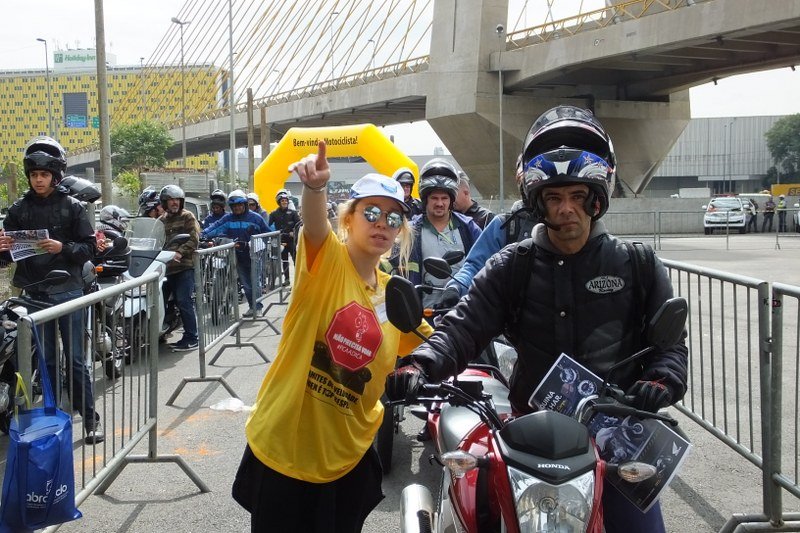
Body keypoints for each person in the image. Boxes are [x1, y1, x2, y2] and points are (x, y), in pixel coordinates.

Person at [391, 106, 688, 533]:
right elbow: (463, 326)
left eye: (578, 196)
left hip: (616, 437)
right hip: (529, 437)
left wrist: (661, 380)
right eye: (554, 197)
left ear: (597, 198)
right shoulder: (511, 266)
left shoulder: (638, 264)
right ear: (536, 201)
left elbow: (671, 346)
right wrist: (418, 365)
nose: (567, 209)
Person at [232, 141, 432, 533]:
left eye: (393, 218)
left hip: (348, 454)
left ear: (401, 230)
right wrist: (315, 188)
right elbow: (314, 226)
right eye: (371, 212)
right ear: (349, 218)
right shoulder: (328, 262)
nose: (382, 223)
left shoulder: (394, 292)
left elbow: (431, 345)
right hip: (287, 447)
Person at [0, 136, 105, 444]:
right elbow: (7, 259)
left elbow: (89, 249)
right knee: (45, 364)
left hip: (68, 293)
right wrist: (3, 248)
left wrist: (63, 247)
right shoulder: (18, 210)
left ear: (55, 175)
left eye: (44, 174)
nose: (39, 180)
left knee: (75, 360)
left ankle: (90, 420)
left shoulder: (73, 208)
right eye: (34, 174)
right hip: (34, 297)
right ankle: (52, 425)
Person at [403, 158, 481, 310]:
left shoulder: (469, 228)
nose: (440, 203)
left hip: (463, 313)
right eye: (434, 198)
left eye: (444, 198)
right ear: (425, 199)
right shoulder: (411, 231)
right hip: (425, 315)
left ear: (451, 200)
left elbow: (484, 265)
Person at [202, 189, 269, 317]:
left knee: (255, 282)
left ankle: (258, 308)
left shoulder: (256, 218)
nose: (237, 208)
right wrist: (202, 234)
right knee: (246, 284)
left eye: (239, 205)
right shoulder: (228, 218)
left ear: (244, 204)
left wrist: (254, 244)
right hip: (237, 255)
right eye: (234, 206)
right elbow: (215, 227)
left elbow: (267, 234)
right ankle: (252, 307)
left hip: (254, 256)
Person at [159, 184, 200, 351]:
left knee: (183, 301)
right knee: (158, 302)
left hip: (184, 267)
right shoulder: (161, 221)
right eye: (170, 200)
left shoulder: (187, 216)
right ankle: (159, 333)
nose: (174, 202)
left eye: (177, 199)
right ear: (164, 202)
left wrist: (179, 252)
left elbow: (193, 239)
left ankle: (192, 337)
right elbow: (154, 240)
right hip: (164, 269)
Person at [268, 190, 302, 286]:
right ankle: (287, 279)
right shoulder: (274, 213)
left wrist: (294, 232)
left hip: (292, 241)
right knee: (284, 260)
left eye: (286, 201)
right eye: (282, 201)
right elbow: (268, 226)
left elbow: (299, 224)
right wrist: (274, 233)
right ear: (279, 202)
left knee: (296, 260)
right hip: (280, 240)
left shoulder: (293, 213)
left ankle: (298, 280)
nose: (284, 202)